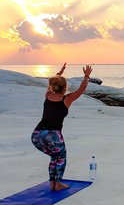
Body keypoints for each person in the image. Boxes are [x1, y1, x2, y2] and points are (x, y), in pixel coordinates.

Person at [31, 63, 93, 191]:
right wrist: (87, 75)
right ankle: (57, 183)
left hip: (37, 135)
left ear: (54, 87)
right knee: (61, 157)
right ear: (65, 88)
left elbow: (50, 85)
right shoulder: (67, 99)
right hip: (53, 135)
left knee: (55, 157)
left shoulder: (48, 96)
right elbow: (81, 89)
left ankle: (53, 183)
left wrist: (59, 73)